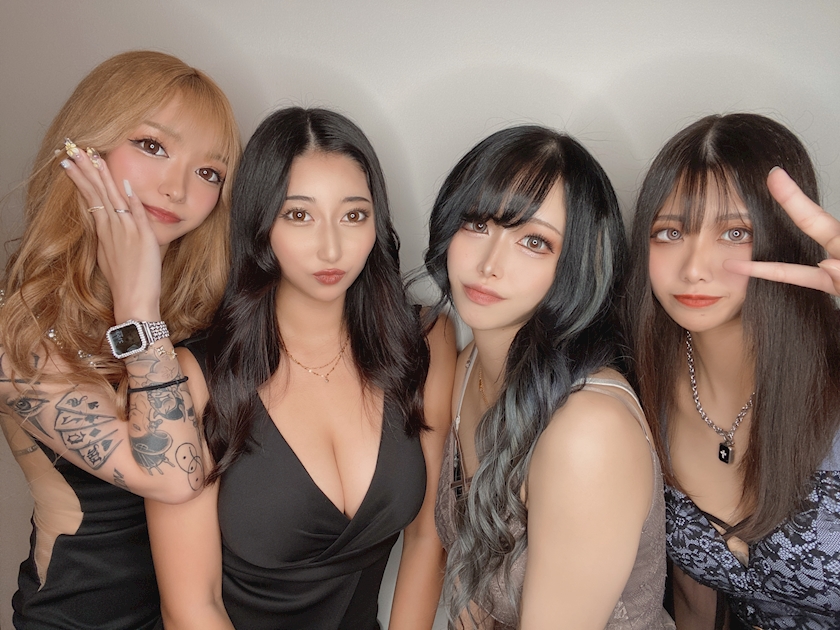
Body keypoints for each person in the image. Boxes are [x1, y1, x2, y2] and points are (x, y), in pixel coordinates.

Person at [145, 106, 456, 630]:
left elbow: (428, 537)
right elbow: (190, 607)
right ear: (260, 223)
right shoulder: (195, 377)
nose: (331, 247)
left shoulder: (424, 341)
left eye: (353, 216)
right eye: (299, 215)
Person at [0, 51, 240, 629]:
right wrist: (137, 310)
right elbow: (172, 477)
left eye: (209, 172)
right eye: (153, 146)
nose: (177, 188)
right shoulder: (19, 330)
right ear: (86, 148)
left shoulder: (212, 309)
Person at [425, 125, 672, 629]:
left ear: (577, 264)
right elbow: (470, 586)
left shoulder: (588, 431)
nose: (489, 264)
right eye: (478, 224)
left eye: (534, 241)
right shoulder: (467, 365)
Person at [625, 113, 840, 629]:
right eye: (670, 232)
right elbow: (692, 597)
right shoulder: (639, 386)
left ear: (783, 238)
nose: (694, 268)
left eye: (735, 232)